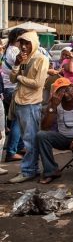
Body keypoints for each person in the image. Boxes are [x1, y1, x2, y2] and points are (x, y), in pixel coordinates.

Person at [37, 78, 73, 184]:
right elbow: (45, 127)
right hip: (63, 139)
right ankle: (51, 171)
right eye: (60, 91)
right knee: (41, 135)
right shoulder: (55, 102)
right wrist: (53, 107)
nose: (64, 94)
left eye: (66, 89)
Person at [8, 31, 50, 183]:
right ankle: (31, 169)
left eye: (27, 43)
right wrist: (17, 65)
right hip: (19, 101)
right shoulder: (23, 58)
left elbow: (38, 84)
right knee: (28, 139)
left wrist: (19, 77)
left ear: (34, 43)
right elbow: (12, 79)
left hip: (31, 104)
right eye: (22, 43)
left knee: (29, 140)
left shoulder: (41, 59)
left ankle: (28, 171)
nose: (24, 47)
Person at [2, 28, 27, 163]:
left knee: (14, 120)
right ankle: (11, 151)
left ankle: (20, 146)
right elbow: (22, 70)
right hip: (13, 89)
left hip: (6, 89)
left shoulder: (8, 50)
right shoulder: (15, 52)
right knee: (18, 120)